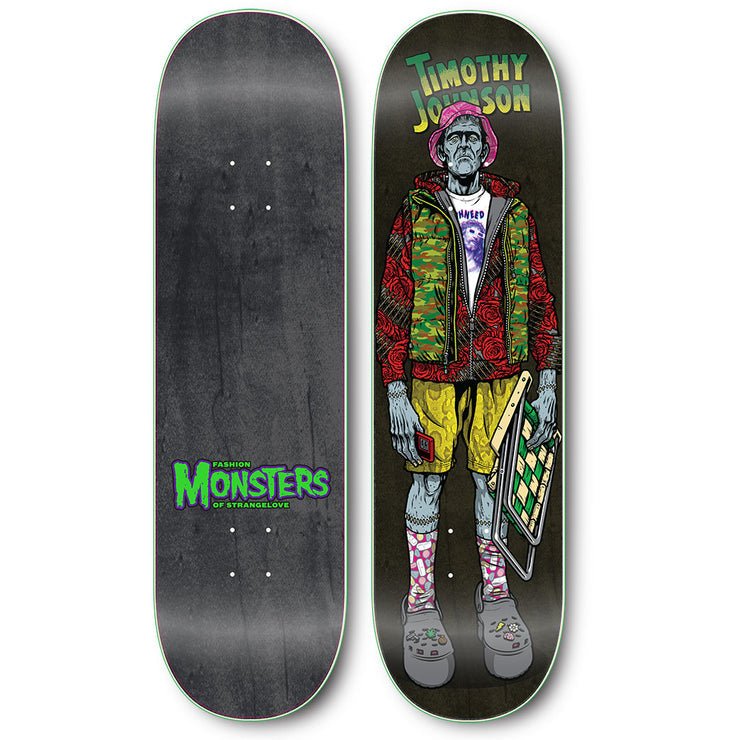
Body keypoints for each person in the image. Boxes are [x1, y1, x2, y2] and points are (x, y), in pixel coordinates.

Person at [375, 101, 561, 687]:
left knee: (494, 483)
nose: (462, 147)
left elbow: (538, 296)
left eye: (472, 138)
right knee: (427, 482)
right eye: (452, 138)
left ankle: (496, 598)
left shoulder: (514, 213)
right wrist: (395, 389)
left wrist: (548, 379)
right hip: (430, 374)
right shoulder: (418, 211)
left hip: (501, 370)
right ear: (440, 151)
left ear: (486, 149)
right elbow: (393, 300)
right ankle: (421, 604)